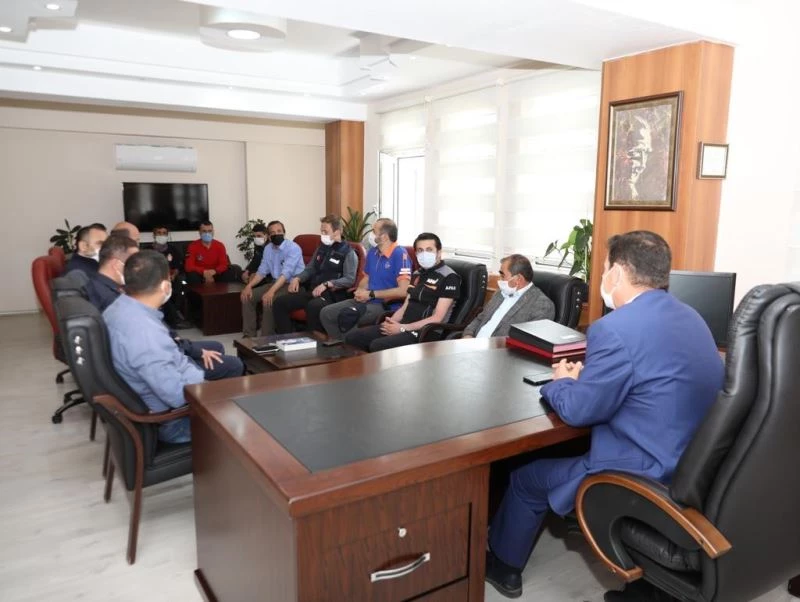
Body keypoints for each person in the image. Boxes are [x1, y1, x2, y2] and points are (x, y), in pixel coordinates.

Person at [484, 231, 725, 599]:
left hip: (638, 472)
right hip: (692, 467)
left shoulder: (613, 329)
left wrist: (562, 382)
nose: (601, 277)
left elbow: (579, 411)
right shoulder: (692, 317)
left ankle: (504, 566)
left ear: (617, 272)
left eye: (604, 268)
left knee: (525, 477)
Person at [104, 251, 244, 443]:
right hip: (173, 421)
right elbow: (177, 395)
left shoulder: (118, 307)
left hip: (164, 397)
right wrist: (208, 388)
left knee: (230, 388)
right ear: (165, 285)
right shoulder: (145, 333)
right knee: (247, 419)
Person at [345, 232, 461, 353]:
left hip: (426, 332)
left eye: (429, 250)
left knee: (378, 345)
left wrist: (403, 328)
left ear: (439, 252)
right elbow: (405, 306)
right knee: (353, 338)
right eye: (420, 250)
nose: (424, 254)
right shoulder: (417, 274)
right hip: (404, 325)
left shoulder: (449, 277)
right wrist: (392, 322)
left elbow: (437, 318)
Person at [318, 218, 412, 340]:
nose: (370, 235)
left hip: (385, 305)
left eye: (374, 231)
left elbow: (403, 290)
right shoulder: (373, 252)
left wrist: (371, 294)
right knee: (326, 313)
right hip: (366, 300)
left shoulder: (400, 254)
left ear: (384, 237)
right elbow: (366, 278)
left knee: (348, 315)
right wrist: (360, 291)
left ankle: (351, 348)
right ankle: (341, 345)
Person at [271, 214, 357, 334]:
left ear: (337, 232)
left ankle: (316, 342)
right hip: (314, 291)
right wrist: (297, 278)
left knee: (313, 306)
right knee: (280, 303)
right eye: (321, 231)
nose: (322, 235)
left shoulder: (348, 253)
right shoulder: (321, 248)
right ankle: (287, 339)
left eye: (325, 232)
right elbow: (310, 268)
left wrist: (328, 284)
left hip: (332, 296)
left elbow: (349, 279)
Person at [462, 254, 554, 338]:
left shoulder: (542, 305)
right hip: (472, 344)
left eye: (503, 275)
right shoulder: (500, 293)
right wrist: (468, 335)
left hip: (497, 350)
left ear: (518, 279)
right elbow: (480, 318)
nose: (500, 279)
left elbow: (530, 341)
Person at [240, 220, 305, 337]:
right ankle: (249, 336)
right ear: (269, 236)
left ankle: (266, 338)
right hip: (275, 282)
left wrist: (271, 292)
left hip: (292, 285)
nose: (276, 234)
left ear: (284, 232)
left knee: (269, 299)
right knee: (247, 296)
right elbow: (261, 272)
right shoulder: (268, 249)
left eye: (279, 231)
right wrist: (248, 286)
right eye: (273, 233)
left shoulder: (293, 248)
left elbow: (285, 274)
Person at [84, 234, 139, 311]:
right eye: (134, 264)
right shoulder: (108, 298)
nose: (137, 268)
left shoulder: (95, 284)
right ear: (116, 264)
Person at [151, 225, 191, 329]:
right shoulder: (148, 250)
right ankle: (174, 319)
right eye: (159, 233)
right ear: (154, 235)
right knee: (162, 288)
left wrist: (173, 275)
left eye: (164, 233)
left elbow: (178, 266)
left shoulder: (173, 249)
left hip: (171, 277)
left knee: (181, 283)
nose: (162, 235)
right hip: (155, 278)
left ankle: (175, 312)